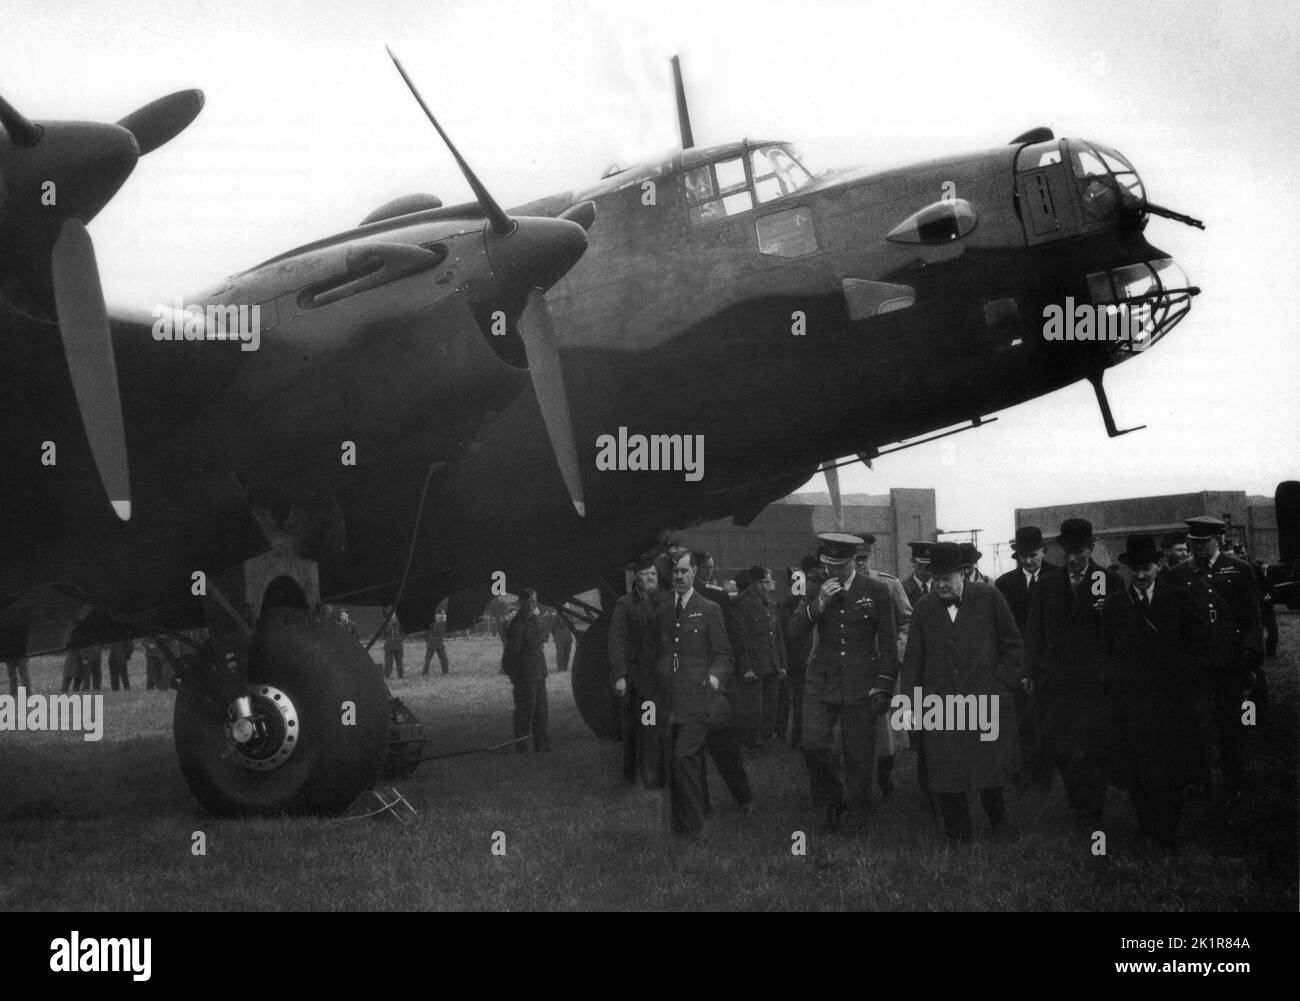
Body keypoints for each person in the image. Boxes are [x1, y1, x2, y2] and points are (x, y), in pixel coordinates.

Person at [901, 542, 1022, 841]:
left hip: (983, 698)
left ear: (964, 574)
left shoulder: (990, 597)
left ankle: (999, 824)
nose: (940, 585)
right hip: (939, 705)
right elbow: (913, 660)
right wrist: (910, 706)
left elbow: (1014, 646)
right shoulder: (923, 608)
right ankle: (958, 834)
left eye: (947, 578)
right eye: (935, 579)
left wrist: (999, 683)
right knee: (945, 771)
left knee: (988, 767)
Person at [1101, 534, 1209, 853]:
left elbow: (1198, 644)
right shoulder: (1116, 605)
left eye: (1146, 568)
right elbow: (1105, 650)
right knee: (1137, 771)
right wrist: (1114, 680)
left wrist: (1183, 674)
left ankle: (1168, 833)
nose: (1140, 575)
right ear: (1127, 570)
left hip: (1170, 702)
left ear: (1158, 565)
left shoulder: (1178, 599)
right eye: (1134, 569)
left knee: (1171, 771)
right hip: (1130, 703)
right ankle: (1144, 823)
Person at [786, 533, 898, 834]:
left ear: (853, 561)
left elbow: (888, 645)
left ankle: (858, 810)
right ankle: (833, 800)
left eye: (839, 565)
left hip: (862, 680)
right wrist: (817, 605)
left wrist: (884, 686)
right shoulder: (813, 588)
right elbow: (793, 631)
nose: (832, 571)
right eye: (827, 564)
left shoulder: (877, 589)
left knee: (859, 752)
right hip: (821, 680)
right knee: (812, 744)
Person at [1024, 518, 1122, 827]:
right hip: (1057, 681)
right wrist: (1029, 670)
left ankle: (1092, 805)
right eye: (1067, 551)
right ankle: (1078, 800)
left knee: (1094, 746)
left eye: (1078, 551)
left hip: (1094, 681)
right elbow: (1034, 631)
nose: (1072, 558)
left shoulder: (1108, 581)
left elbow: (1119, 635)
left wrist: (1113, 672)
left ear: (1091, 548)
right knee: (1062, 746)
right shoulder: (1048, 584)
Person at [1166, 516, 1264, 810]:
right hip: (1195, 664)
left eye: (1203, 543)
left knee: (1231, 723)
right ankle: (1199, 781)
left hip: (1230, 662)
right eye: (1193, 543)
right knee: (1195, 723)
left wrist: (1250, 653)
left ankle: (1234, 782)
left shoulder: (1239, 569)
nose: (1197, 548)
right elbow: (1176, 623)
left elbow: (1251, 616)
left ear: (1217, 540)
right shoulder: (1178, 573)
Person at [654, 551, 746, 839]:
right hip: (670, 699)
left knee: (684, 755)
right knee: (673, 760)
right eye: (675, 573)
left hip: (699, 697)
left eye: (684, 571)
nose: (679, 577)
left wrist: (715, 677)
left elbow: (724, 655)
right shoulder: (662, 610)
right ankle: (681, 825)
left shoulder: (709, 608)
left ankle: (696, 829)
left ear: (694, 571)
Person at [994, 525, 1057, 788]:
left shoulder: (1058, 578)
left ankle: (1045, 776)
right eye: (1023, 556)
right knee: (1020, 722)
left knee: (1047, 721)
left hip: (1049, 665)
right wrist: (1014, 669)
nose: (1029, 561)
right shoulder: (1004, 584)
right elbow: (1001, 630)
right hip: (1017, 664)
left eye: (1033, 555)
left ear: (1044, 551)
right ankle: (1021, 774)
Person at [854, 539, 911, 799]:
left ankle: (885, 780)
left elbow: (908, 620)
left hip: (884, 669)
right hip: (853, 669)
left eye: (864, 558)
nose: (860, 564)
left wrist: (896, 654)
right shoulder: (839, 588)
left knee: (887, 731)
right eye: (855, 559)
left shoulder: (889, 584)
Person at [609, 554, 664, 784]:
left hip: (654, 680)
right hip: (632, 679)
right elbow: (616, 640)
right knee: (631, 730)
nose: (650, 578)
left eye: (653, 574)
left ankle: (650, 774)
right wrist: (620, 675)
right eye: (644, 574)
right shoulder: (624, 604)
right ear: (636, 577)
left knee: (651, 726)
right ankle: (630, 776)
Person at [733, 564, 788, 747]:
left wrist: (781, 664)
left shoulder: (770, 603)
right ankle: (751, 742)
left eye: (768, 582)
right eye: (762, 582)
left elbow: (777, 635)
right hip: (754, 666)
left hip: (771, 664)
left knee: (769, 707)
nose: (766, 586)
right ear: (753, 583)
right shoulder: (743, 604)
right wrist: (746, 668)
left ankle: (764, 740)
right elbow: (741, 639)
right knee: (752, 708)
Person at [778, 556, 819, 748]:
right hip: (800, 659)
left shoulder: (786, 604)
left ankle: (793, 737)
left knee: (792, 700)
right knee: (800, 701)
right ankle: (797, 738)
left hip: (792, 658)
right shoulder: (799, 602)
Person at [503, 588, 551, 751]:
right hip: (525, 673)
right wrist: (513, 674)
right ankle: (522, 745)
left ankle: (542, 744)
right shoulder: (518, 624)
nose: (533, 604)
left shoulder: (534, 620)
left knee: (541, 710)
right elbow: (511, 652)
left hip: (538, 671)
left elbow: (542, 640)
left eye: (535, 601)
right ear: (522, 602)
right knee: (525, 710)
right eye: (530, 601)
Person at [381, 605, 404, 679]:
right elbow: (383, 633)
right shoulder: (384, 622)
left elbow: (403, 632)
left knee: (399, 661)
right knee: (388, 661)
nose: (393, 615)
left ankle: (401, 675)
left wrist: (400, 639)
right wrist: (387, 639)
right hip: (389, 644)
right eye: (391, 613)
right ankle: (387, 675)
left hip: (398, 643)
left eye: (393, 613)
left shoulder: (400, 621)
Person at [423, 610, 449, 675]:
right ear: (437, 615)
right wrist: (427, 641)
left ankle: (445, 672)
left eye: (443, 614)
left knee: (444, 659)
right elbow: (426, 633)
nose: (443, 615)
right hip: (431, 644)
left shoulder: (443, 623)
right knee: (428, 659)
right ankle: (425, 673)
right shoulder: (431, 623)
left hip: (440, 644)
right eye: (441, 614)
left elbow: (444, 631)